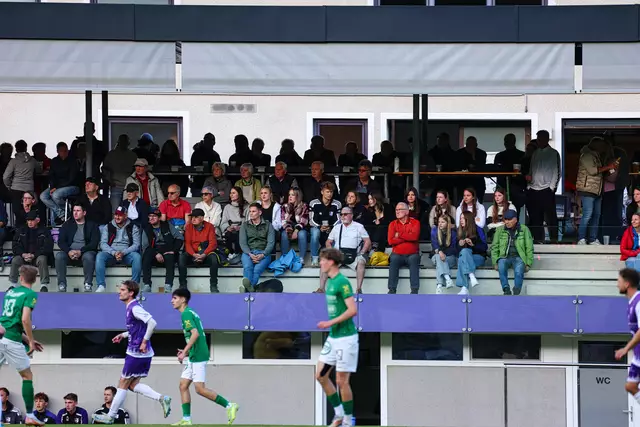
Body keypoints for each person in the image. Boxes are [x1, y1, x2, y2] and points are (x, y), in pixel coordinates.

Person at [92, 281, 172, 424]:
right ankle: (162, 398)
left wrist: (144, 341)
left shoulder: (134, 308)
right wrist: (123, 335)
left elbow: (152, 323)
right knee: (132, 385)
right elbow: (138, 328)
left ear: (131, 293)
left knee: (123, 382)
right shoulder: (132, 307)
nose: (119, 292)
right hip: (142, 352)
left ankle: (111, 416)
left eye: (123, 290)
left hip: (136, 352)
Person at [170, 288, 239, 425]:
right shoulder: (190, 313)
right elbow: (197, 335)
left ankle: (229, 405)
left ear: (183, 300)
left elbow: (195, 334)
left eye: (175, 298)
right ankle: (186, 420)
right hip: (195, 354)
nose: (172, 301)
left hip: (198, 355)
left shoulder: (186, 314)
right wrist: (187, 351)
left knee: (200, 389)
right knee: (183, 385)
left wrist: (184, 352)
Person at [315, 247, 358, 427]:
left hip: (346, 339)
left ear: (331, 262)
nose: (320, 263)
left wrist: (329, 323)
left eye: (323, 260)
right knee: (320, 376)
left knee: (341, 381)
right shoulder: (330, 282)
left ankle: (347, 421)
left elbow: (353, 310)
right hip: (333, 339)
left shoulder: (342, 282)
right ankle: (339, 413)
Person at [0, 265, 45, 425]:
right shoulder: (30, 294)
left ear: (20, 277)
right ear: (35, 279)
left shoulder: (10, 292)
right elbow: (25, 319)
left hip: (1, 334)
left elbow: (9, 321)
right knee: (27, 376)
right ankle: (30, 416)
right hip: (11, 340)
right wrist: (31, 341)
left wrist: (26, 339)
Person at [318, 207, 371, 294]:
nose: (343, 216)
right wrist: (331, 251)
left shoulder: (359, 226)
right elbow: (328, 241)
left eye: (345, 214)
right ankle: (321, 289)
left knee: (361, 262)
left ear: (351, 215)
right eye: (341, 214)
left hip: (354, 254)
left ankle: (358, 289)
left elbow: (367, 241)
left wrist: (362, 252)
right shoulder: (337, 227)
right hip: (339, 255)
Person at [56, 202, 100, 293]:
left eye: (78, 211)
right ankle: (62, 284)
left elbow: (94, 243)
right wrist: (69, 251)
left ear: (84, 213)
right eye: (74, 211)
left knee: (89, 256)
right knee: (59, 256)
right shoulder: (67, 225)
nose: (75, 213)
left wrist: (81, 251)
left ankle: (88, 284)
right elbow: (61, 241)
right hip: (70, 254)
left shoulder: (92, 225)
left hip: (85, 253)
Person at [96, 206, 142, 293]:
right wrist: (114, 252)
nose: (117, 217)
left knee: (137, 257)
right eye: (116, 214)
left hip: (127, 254)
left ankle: (134, 286)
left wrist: (123, 252)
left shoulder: (133, 227)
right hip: (111, 254)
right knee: (100, 256)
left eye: (120, 215)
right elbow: (103, 244)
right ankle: (101, 285)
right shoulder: (108, 226)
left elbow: (136, 245)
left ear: (125, 216)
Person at [491, 209, 534, 296]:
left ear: (515, 219)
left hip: (519, 257)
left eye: (509, 219)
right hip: (504, 257)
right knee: (501, 265)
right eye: (505, 219)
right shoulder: (499, 230)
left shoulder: (524, 229)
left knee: (519, 271)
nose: (507, 222)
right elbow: (494, 247)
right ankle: (506, 289)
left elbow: (529, 247)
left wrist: (528, 263)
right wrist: (495, 261)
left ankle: (516, 290)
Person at [141, 208, 183, 294]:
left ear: (159, 218)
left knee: (170, 256)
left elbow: (180, 238)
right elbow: (145, 246)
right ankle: (147, 285)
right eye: (150, 216)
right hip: (153, 254)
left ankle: (168, 285)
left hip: (167, 252)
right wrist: (156, 253)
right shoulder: (146, 228)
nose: (151, 218)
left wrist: (174, 250)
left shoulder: (167, 225)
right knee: (147, 254)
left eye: (154, 216)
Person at [10, 210, 54, 292]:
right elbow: (15, 245)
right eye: (28, 220)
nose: (29, 222)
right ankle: (13, 285)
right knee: (15, 260)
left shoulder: (45, 231)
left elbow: (48, 247)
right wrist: (23, 254)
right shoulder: (21, 230)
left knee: (42, 259)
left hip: (37, 257)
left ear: (38, 220)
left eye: (32, 220)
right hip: (24, 257)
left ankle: (44, 285)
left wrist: (34, 255)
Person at [615, 268, 640, 405]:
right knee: (630, 386)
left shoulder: (639, 302)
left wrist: (626, 349)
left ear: (627, 284)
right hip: (638, 353)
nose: (616, 284)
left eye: (619, 281)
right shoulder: (632, 303)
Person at [179, 208, 220, 293]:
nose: (193, 219)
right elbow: (187, 244)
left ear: (202, 218)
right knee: (181, 257)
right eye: (192, 217)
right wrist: (194, 254)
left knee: (214, 259)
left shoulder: (210, 226)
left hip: (205, 253)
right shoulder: (188, 227)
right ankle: (183, 285)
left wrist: (204, 254)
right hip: (192, 254)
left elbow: (213, 243)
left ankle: (213, 285)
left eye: (196, 217)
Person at [40, 142, 79, 226]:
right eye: (62, 151)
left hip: (71, 186)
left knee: (55, 195)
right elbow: (51, 176)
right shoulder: (54, 161)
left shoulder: (72, 161)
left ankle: (66, 212)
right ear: (57, 151)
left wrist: (56, 187)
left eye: (66, 150)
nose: (64, 152)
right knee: (43, 196)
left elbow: (71, 178)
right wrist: (52, 187)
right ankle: (62, 214)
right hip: (57, 187)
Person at [239, 203, 275, 293]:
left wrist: (263, 254)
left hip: (264, 253)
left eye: (253, 211)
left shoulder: (268, 225)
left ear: (260, 212)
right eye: (250, 211)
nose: (251, 213)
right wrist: (250, 254)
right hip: (248, 252)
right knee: (248, 267)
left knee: (257, 270)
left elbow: (271, 243)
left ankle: (246, 290)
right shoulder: (245, 225)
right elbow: (243, 243)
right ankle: (250, 289)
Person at [387, 202, 421, 294]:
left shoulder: (415, 222)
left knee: (414, 260)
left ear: (407, 211)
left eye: (400, 209)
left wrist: (399, 234)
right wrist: (407, 236)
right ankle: (392, 290)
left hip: (412, 254)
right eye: (396, 210)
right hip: (397, 254)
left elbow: (414, 237)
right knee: (393, 259)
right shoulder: (392, 224)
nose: (397, 211)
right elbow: (391, 241)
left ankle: (414, 290)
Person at [103, 134, 139, 213]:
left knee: (129, 211)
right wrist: (109, 181)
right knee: (115, 211)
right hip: (116, 185)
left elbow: (136, 170)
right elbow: (105, 169)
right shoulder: (111, 154)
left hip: (129, 187)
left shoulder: (132, 155)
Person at [309, 182, 342, 267]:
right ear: (322, 192)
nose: (329, 194)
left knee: (337, 232)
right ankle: (314, 258)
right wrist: (320, 226)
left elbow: (338, 220)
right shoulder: (313, 203)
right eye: (327, 192)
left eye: (331, 192)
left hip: (331, 228)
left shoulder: (337, 204)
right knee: (315, 233)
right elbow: (311, 220)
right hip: (317, 227)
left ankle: (334, 259)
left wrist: (331, 227)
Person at [431, 214, 457, 293]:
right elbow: (434, 245)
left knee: (439, 262)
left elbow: (453, 249)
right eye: (439, 222)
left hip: (450, 257)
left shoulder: (453, 233)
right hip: (437, 257)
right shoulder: (434, 231)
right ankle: (448, 278)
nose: (440, 224)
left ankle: (439, 286)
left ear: (447, 223)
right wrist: (440, 252)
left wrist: (442, 253)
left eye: (442, 222)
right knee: (438, 256)